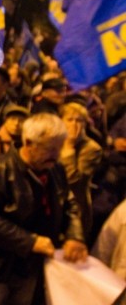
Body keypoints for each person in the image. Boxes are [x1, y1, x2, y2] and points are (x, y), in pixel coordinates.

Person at [0, 113, 88, 304]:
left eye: (59, 148)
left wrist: (74, 235)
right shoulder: (1, 170)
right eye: (49, 148)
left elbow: (69, 202)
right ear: (29, 143)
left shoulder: (55, 168)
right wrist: (29, 241)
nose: (56, 155)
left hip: (30, 264)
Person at [58, 101, 103, 244]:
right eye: (69, 119)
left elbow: (73, 180)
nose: (74, 124)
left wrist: (69, 148)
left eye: (79, 120)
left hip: (76, 209)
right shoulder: (55, 141)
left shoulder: (92, 149)